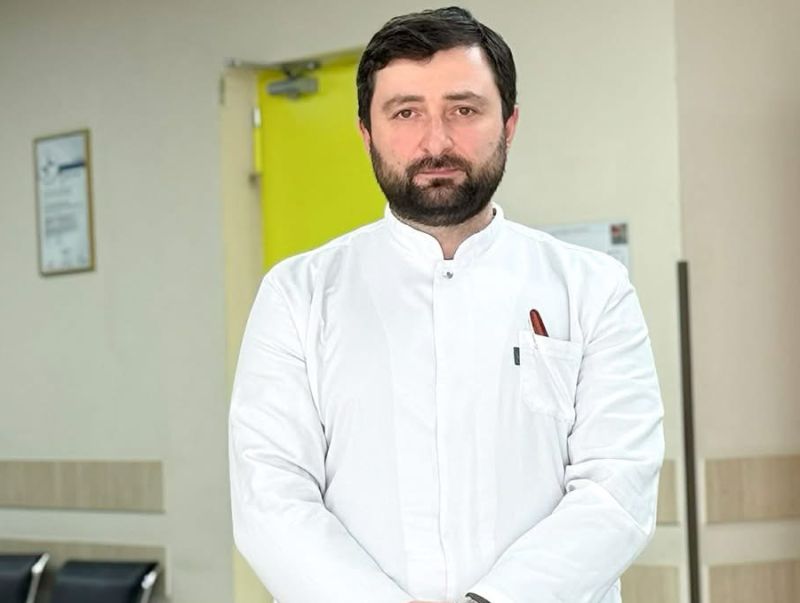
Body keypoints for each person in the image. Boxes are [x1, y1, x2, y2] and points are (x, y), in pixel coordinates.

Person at [229, 7, 664, 603]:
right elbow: (271, 497)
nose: (435, 142)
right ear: (366, 132)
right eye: (405, 112)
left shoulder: (593, 289)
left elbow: (617, 491)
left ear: (509, 123)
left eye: (464, 110)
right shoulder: (297, 295)